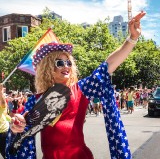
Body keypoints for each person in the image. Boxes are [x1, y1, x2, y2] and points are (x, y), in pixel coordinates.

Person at [6, 11, 146, 159]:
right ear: (47, 68)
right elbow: (21, 131)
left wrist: (132, 38)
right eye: (60, 63)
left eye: (68, 62)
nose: (66, 66)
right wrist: (16, 128)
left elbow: (108, 65)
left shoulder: (81, 89)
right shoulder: (36, 100)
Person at [0, 83, 10, 158]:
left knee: (4, 153)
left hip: (2, 131)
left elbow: (3, 103)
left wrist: (0, 92)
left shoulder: (2, 103)